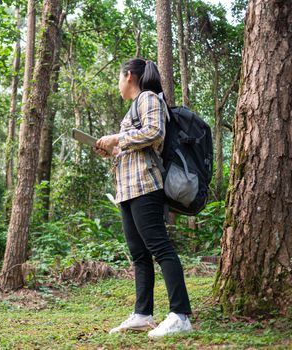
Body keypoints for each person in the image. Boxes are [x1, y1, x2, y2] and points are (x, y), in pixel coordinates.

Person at [94, 58, 192, 338]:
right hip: (127, 190)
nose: (118, 84)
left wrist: (117, 139)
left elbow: (154, 132)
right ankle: (143, 314)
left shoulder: (148, 98)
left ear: (128, 76)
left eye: (118, 78)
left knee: (161, 249)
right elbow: (135, 145)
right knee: (139, 255)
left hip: (145, 186)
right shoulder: (132, 109)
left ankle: (181, 315)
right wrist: (113, 150)